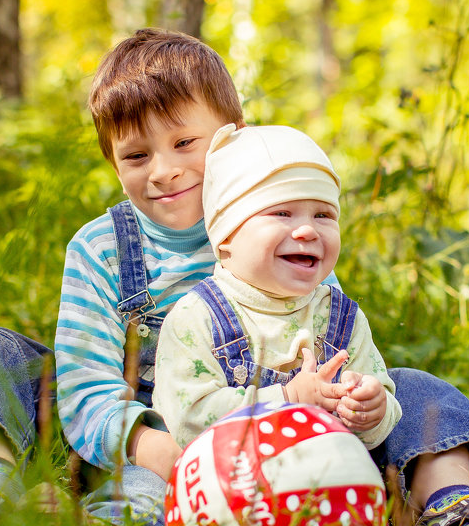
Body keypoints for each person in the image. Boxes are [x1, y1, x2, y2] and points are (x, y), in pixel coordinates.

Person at [0, 28, 469, 526]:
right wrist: (155, 446)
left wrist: (356, 401)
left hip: (282, 435)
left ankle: (458, 515)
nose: (163, 169)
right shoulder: (102, 248)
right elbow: (86, 385)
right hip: (143, 432)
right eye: (135, 155)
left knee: (414, 390)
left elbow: (337, 347)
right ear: (112, 160)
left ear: (232, 136)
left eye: (184, 143)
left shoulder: (290, 233)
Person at [154, 123, 402, 450]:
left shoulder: (341, 317)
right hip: (229, 485)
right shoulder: (195, 318)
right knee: (141, 486)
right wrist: (287, 399)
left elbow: (379, 412)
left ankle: (450, 492)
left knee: (422, 394)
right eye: (282, 212)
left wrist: (371, 410)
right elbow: (187, 420)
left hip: (327, 481)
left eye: (323, 215)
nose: (307, 231)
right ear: (226, 237)